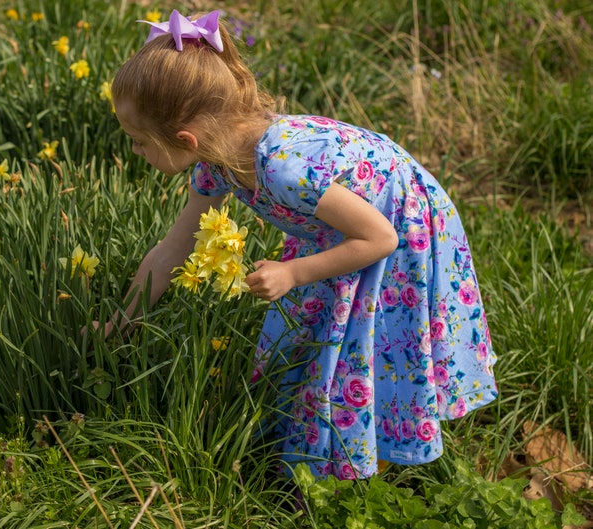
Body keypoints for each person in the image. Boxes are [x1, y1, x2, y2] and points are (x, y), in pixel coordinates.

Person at [100, 9, 498, 480]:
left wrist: (294, 273)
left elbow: (380, 238)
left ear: (184, 138)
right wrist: (120, 322)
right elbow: (172, 250)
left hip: (398, 225)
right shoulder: (218, 158)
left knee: (376, 340)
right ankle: (314, 456)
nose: (134, 153)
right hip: (348, 227)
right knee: (315, 334)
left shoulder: (283, 168)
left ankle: (366, 472)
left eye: (137, 142)